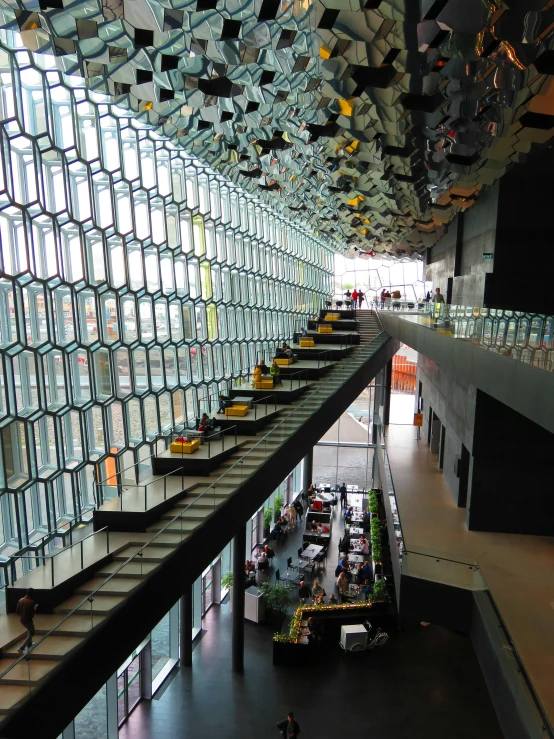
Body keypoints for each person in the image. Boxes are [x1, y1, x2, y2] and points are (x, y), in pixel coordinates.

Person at [17, 588, 38, 652]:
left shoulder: (20, 600)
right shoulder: (31, 602)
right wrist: (35, 608)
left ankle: (29, 643)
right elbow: (31, 614)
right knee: (32, 632)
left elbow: (17, 611)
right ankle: (22, 647)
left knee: (29, 630)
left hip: (22, 619)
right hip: (28, 620)